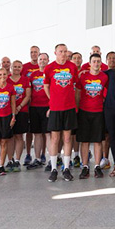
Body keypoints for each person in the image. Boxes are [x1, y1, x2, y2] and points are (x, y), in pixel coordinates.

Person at [44, 44, 79, 182]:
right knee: (54, 138)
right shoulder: (49, 68)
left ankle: (66, 168)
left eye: (65, 51)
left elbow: (76, 85)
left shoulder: (72, 67)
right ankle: (53, 169)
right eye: (60, 51)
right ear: (55, 53)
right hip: (55, 108)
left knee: (67, 138)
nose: (63, 54)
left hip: (69, 107)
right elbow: (46, 85)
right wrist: (52, 99)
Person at [76, 53, 109, 179]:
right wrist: (77, 109)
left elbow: (106, 93)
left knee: (97, 140)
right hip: (84, 112)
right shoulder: (83, 76)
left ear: (101, 63)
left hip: (98, 112)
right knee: (84, 141)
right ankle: (85, 166)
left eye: (98, 61)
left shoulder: (104, 77)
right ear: (89, 63)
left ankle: (96, 166)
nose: (96, 63)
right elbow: (78, 94)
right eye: (94, 61)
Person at [6, 60, 31, 172]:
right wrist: (12, 110)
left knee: (19, 136)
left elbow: (28, 95)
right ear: (11, 67)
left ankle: (17, 160)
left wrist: (19, 107)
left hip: (22, 111)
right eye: (14, 66)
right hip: (7, 112)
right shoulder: (6, 79)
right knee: (9, 137)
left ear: (22, 68)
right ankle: (10, 160)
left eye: (19, 67)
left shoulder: (25, 80)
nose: (16, 68)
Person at [27, 52, 50, 170]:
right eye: (40, 59)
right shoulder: (33, 75)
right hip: (34, 107)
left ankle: (51, 159)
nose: (42, 61)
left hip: (47, 107)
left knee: (48, 134)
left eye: (45, 59)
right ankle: (37, 158)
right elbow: (29, 92)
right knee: (37, 134)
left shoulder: (50, 73)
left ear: (48, 60)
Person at [21, 45, 40, 166]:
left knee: (41, 132)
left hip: (40, 104)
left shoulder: (43, 66)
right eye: (31, 52)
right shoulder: (25, 67)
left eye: (35, 52)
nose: (33, 54)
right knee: (29, 131)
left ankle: (41, 154)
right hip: (28, 103)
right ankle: (28, 153)